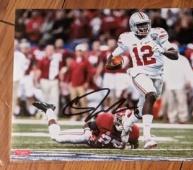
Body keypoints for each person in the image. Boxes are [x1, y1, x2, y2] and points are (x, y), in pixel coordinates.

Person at [106, 11, 178, 149]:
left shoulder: (157, 34)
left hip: (157, 75)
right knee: (150, 95)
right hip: (139, 72)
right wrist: (112, 63)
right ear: (133, 26)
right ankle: (148, 138)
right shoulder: (126, 38)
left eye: (146, 24)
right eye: (140, 25)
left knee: (141, 110)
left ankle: (127, 123)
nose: (144, 27)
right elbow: (111, 59)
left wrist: (162, 51)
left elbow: (175, 55)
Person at [32, 101, 139, 149]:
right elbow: (87, 125)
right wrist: (90, 135)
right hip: (89, 138)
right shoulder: (105, 119)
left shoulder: (134, 132)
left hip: (99, 143)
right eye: (120, 120)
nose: (121, 124)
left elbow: (135, 145)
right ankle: (49, 110)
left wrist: (128, 146)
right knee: (56, 137)